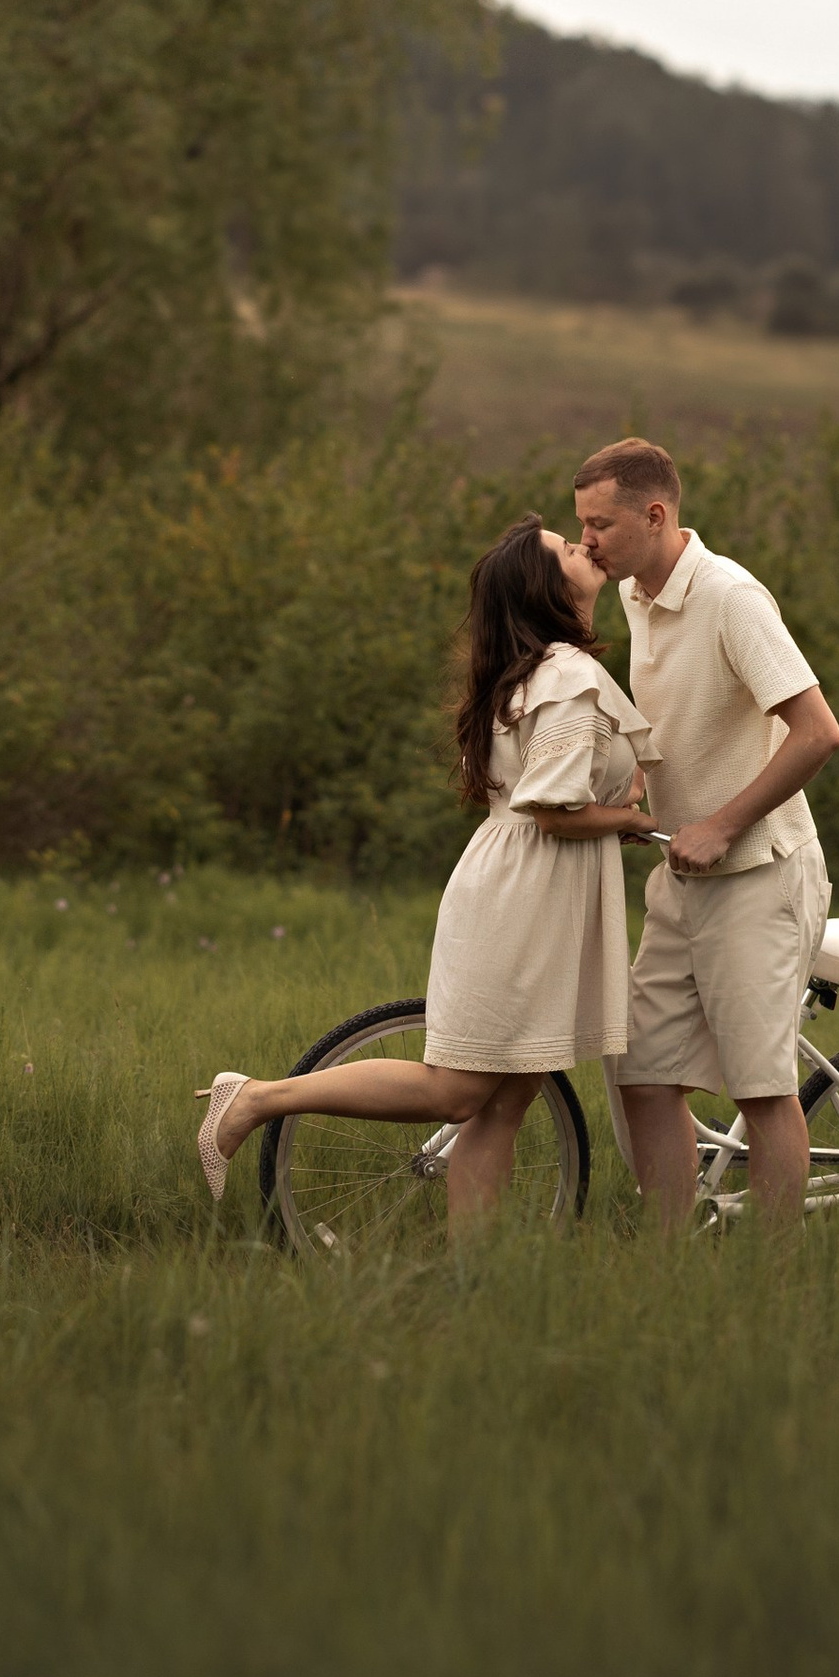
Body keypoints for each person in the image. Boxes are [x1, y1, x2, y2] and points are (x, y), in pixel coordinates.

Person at [197, 516, 659, 1237]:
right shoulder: (567, 678)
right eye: (566, 548)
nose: (584, 545)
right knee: (457, 1092)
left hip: (532, 888)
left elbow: (556, 798)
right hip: (527, 898)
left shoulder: (539, 672)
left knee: (503, 1104)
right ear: (545, 588)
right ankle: (256, 1098)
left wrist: (612, 812)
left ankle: (476, 1278)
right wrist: (627, 822)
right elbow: (555, 814)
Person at [572, 437, 839, 1233]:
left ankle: (771, 1280)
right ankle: (668, 1264)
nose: (587, 541)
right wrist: (641, 784)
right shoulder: (634, 593)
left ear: (655, 516)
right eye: (581, 524)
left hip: (759, 873)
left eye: (601, 525)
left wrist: (722, 824)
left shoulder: (730, 597)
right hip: (682, 876)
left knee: (761, 1090)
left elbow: (818, 732)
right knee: (643, 1076)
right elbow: (684, 717)